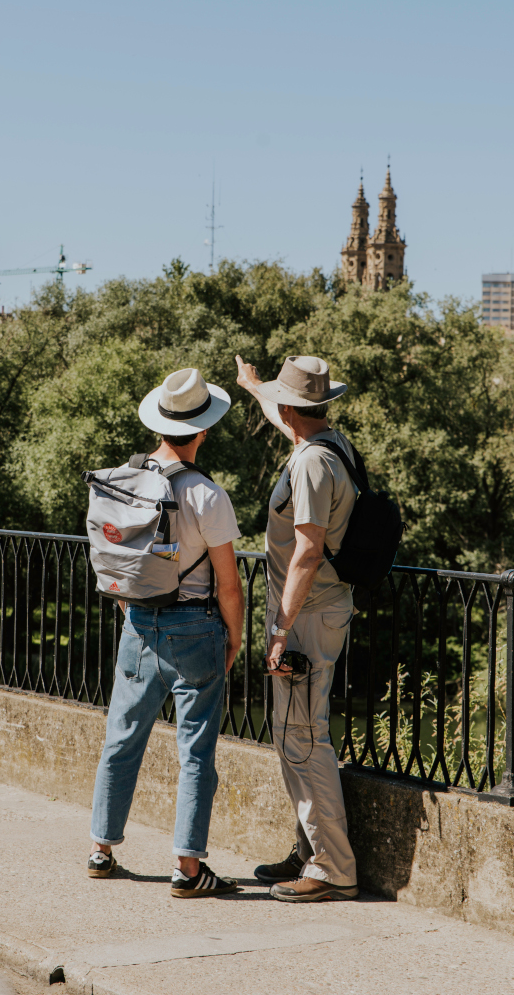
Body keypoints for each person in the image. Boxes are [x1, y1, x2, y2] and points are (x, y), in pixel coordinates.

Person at [88, 367, 245, 897]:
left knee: (121, 738)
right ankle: (187, 869)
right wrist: (234, 638)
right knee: (195, 750)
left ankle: (101, 849)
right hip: (195, 628)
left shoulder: (121, 477)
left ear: (160, 424)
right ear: (203, 430)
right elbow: (229, 584)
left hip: (138, 623)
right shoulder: (206, 495)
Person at [235, 353, 359, 903]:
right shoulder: (334, 446)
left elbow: (307, 550)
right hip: (320, 608)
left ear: (292, 408)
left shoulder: (310, 464)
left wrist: (281, 626)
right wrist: (254, 386)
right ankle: (310, 848)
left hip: (306, 615)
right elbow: (281, 412)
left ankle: (333, 866)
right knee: (294, 735)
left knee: (305, 740)